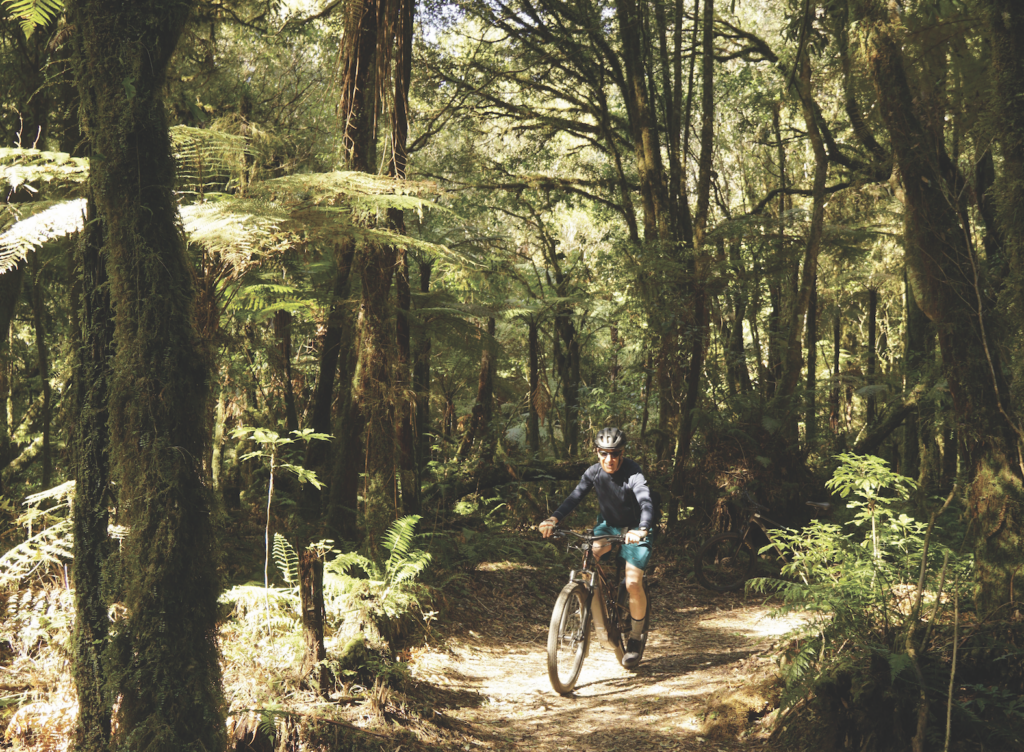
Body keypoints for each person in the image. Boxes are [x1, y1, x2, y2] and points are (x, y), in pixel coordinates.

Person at [539, 426, 655, 669]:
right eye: (604, 454)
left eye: (615, 454)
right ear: (597, 453)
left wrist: (643, 527)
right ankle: (596, 601)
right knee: (591, 553)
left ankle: (635, 638)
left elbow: (644, 498)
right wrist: (553, 519)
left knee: (633, 583)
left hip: (635, 528)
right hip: (608, 526)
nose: (609, 460)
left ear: (622, 453)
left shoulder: (633, 472)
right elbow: (575, 497)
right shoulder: (593, 472)